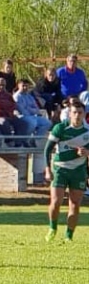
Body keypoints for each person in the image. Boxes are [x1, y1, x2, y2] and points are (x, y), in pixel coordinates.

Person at [44, 97, 89, 242]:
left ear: (84, 114)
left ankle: (68, 236)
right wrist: (47, 169)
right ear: (69, 114)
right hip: (60, 169)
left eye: (80, 113)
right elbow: (47, 150)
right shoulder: (60, 128)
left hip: (78, 171)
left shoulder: (87, 131)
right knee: (56, 202)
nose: (77, 115)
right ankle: (52, 227)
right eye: (74, 112)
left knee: (75, 204)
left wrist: (87, 153)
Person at [0, 76, 29, 147]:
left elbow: (13, 104)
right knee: (4, 122)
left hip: (8, 114)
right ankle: (9, 141)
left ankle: (19, 142)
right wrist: (7, 104)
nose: (2, 87)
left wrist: (4, 103)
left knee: (22, 123)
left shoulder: (6, 93)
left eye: (4, 85)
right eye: (0, 85)